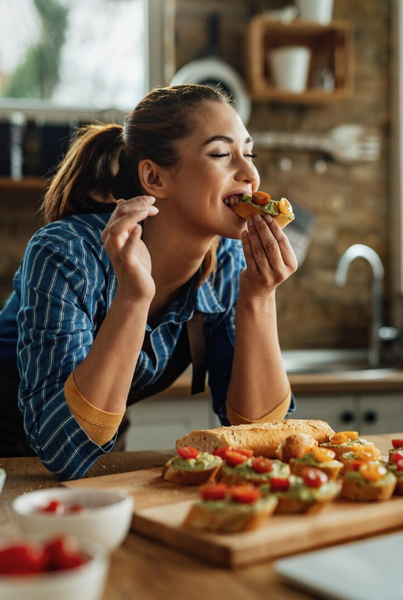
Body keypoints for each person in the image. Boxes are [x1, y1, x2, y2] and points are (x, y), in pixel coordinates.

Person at [0, 84, 298, 479]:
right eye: (222, 154)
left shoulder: (226, 263)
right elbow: (62, 449)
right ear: (155, 178)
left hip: (97, 443)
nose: (249, 174)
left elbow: (263, 439)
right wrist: (133, 297)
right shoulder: (65, 253)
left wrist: (259, 298)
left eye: (249, 152)